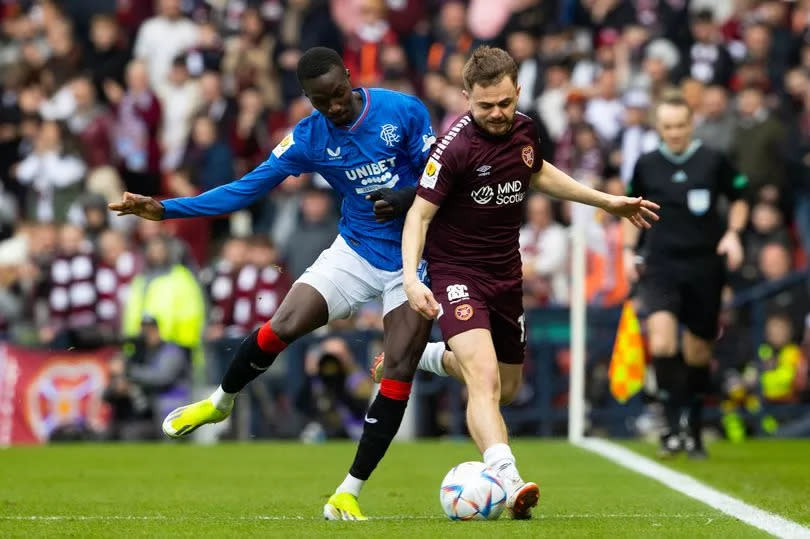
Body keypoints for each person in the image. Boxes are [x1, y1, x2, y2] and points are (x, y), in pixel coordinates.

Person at [109, 47, 444, 521]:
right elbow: (246, 187)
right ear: (307, 100)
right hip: (354, 252)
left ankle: (347, 492)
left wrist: (407, 195)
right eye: (321, 101)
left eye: (340, 94)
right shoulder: (308, 138)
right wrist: (166, 209)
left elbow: (441, 176)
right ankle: (220, 402)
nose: (335, 107)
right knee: (282, 325)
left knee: (399, 372)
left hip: (412, 257)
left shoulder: (402, 111)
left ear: (350, 77)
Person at [401, 46, 659, 519]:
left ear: (518, 91)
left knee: (506, 388)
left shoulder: (525, 128)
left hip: (506, 274)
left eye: (504, 102)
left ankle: (430, 357)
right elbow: (418, 215)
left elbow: (537, 172)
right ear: (466, 98)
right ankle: (507, 476)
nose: (497, 114)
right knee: (483, 380)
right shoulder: (453, 148)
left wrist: (605, 201)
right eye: (485, 106)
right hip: (457, 274)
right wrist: (410, 281)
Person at [624, 94, 750, 459]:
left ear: (690, 124)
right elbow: (633, 208)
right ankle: (669, 427)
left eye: (680, 125)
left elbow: (740, 195)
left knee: (698, 350)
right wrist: (629, 252)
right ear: (658, 128)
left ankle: (692, 429)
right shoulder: (646, 164)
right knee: (661, 342)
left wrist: (733, 233)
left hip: (704, 264)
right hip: (661, 263)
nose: (675, 133)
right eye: (668, 127)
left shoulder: (713, 159)